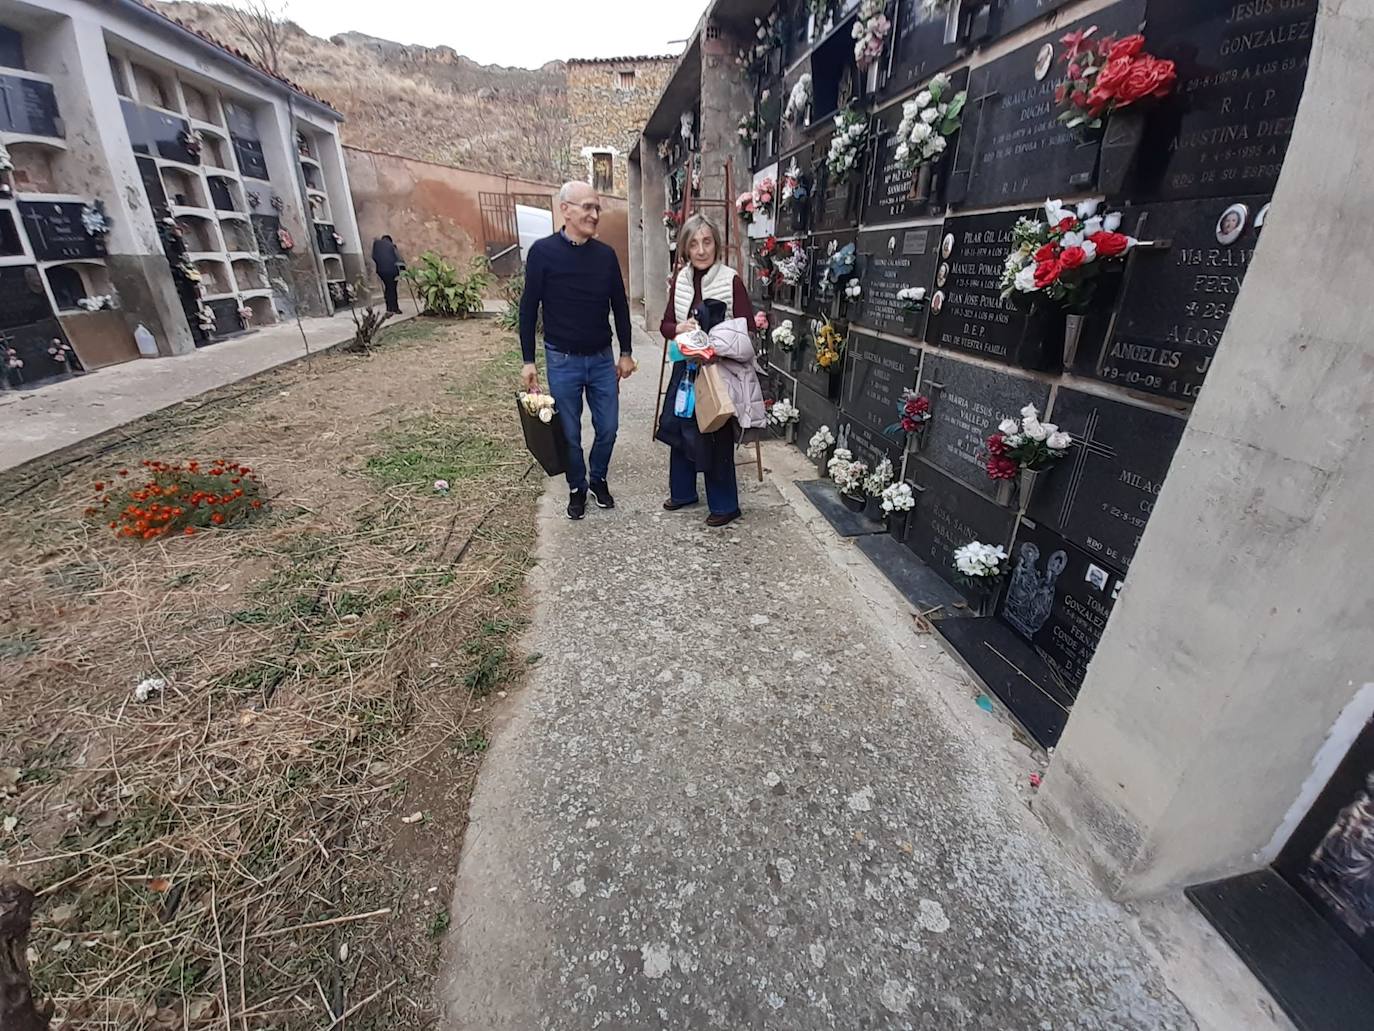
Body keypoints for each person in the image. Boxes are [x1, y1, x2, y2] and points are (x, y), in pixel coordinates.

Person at [519, 181, 635, 520]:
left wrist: (625, 352)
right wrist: (528, 360)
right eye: (587, 207)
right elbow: (529, 309)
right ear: (565, 209)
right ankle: (576, 487)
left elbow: (620, 306)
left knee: (609, 428)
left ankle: (597, 478)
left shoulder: (605, 256)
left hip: (601, 359)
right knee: (569, 434)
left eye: (597, 207)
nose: (594, 214)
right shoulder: (542, 253)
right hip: (562, 360)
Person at [655, 213, 765, 528]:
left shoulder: (731, 279)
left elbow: (747, 328)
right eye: (694, 244)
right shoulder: (680, 280)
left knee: (714, 433)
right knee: (677, 427)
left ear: (715, 243)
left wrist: (716, 338)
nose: (701, 250)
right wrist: (680, 327)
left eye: (707, 242)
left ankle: (725, 503)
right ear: (686, 249)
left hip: (718, 370)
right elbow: (664, 325)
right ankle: (683, 492)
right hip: (686, 367)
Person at [371, 235, 404, 314]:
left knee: (388, 287)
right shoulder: (392, 246)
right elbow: (399, 258)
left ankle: (389, 308)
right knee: (392, 288)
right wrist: (403, 268)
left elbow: (373, 257)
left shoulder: (376, 245)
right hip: (392, 270)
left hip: (381, 271)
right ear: (390, 240)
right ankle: (395, 308)